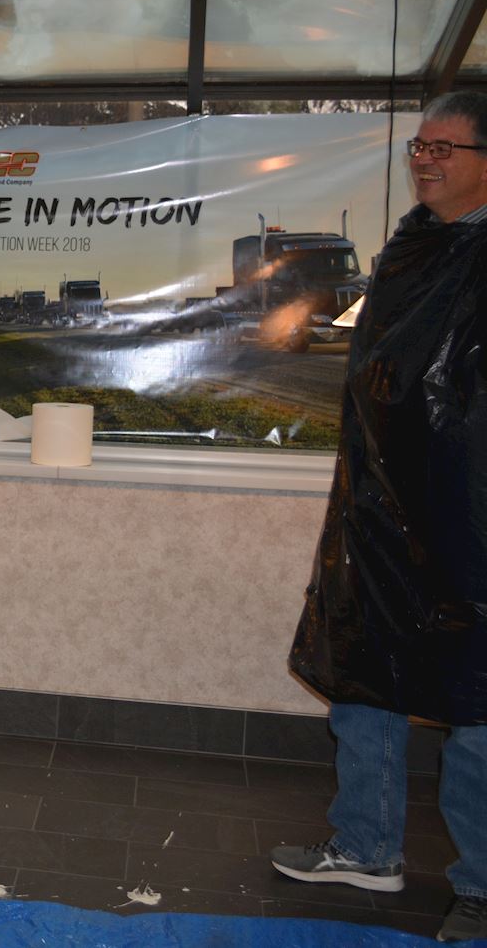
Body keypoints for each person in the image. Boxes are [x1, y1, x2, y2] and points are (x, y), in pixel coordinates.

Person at [270, 90, 487, 943]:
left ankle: (479, 888)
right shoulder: (411, 244)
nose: (425, 159)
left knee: (479, 703)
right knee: (366, 672)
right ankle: (365, 844)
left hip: (473, 518)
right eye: (419, 146)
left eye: (446, 147)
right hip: (383, 506)